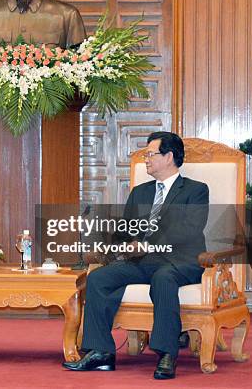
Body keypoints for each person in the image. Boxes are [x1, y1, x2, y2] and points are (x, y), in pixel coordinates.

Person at [64, 132, 209, 380]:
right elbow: (125, 230)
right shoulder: (140, 192)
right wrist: (113, 245)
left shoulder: (195, 191)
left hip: (180, 262)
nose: (146, 159)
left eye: (151, 154)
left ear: (169, 156)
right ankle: (101, 352)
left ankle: (166, 353)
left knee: (164, 278)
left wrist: (149, 245)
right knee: (99, 278)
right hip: (142, 262)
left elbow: (189, 229)